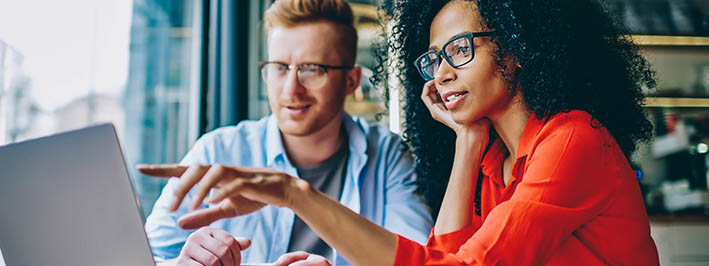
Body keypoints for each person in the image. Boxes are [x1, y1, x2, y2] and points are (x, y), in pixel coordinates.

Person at [141, 0, 661, 265]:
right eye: (435, 58)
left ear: (519, 46)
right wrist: (467, 140)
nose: (441, 74)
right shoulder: (494, 160)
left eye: (460, 50)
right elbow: (447, 255)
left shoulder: (571, 140)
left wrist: (294, 195)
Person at [140, 0, 433, 265]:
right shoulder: (218, 151)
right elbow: (143, 257)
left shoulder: (387, 156)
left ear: (351, 81)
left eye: (312, 69)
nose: (291, 89)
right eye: (280, 68)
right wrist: (183, 263)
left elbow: (418, 259)